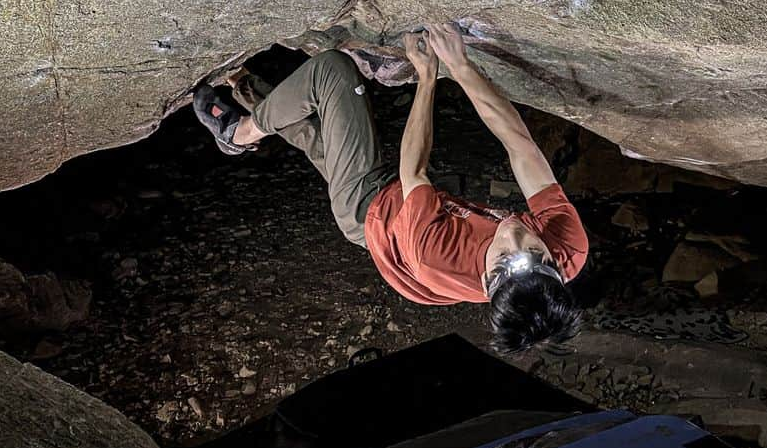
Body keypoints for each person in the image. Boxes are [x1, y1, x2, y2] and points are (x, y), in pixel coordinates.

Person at [192, 23, 588, 353]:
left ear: (487, 281)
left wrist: (428, 76)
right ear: (556, 265)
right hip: (410, 216)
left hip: (367, 208)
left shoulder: (438, 256)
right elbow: (520, 145)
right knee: (323, 137)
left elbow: (413, 170)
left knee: (332, 74)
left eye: (505, 255)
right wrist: (461, 65)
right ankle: (245, 86)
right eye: (534, 250)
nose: (517, 234)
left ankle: (237, 133)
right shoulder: (567, 247)